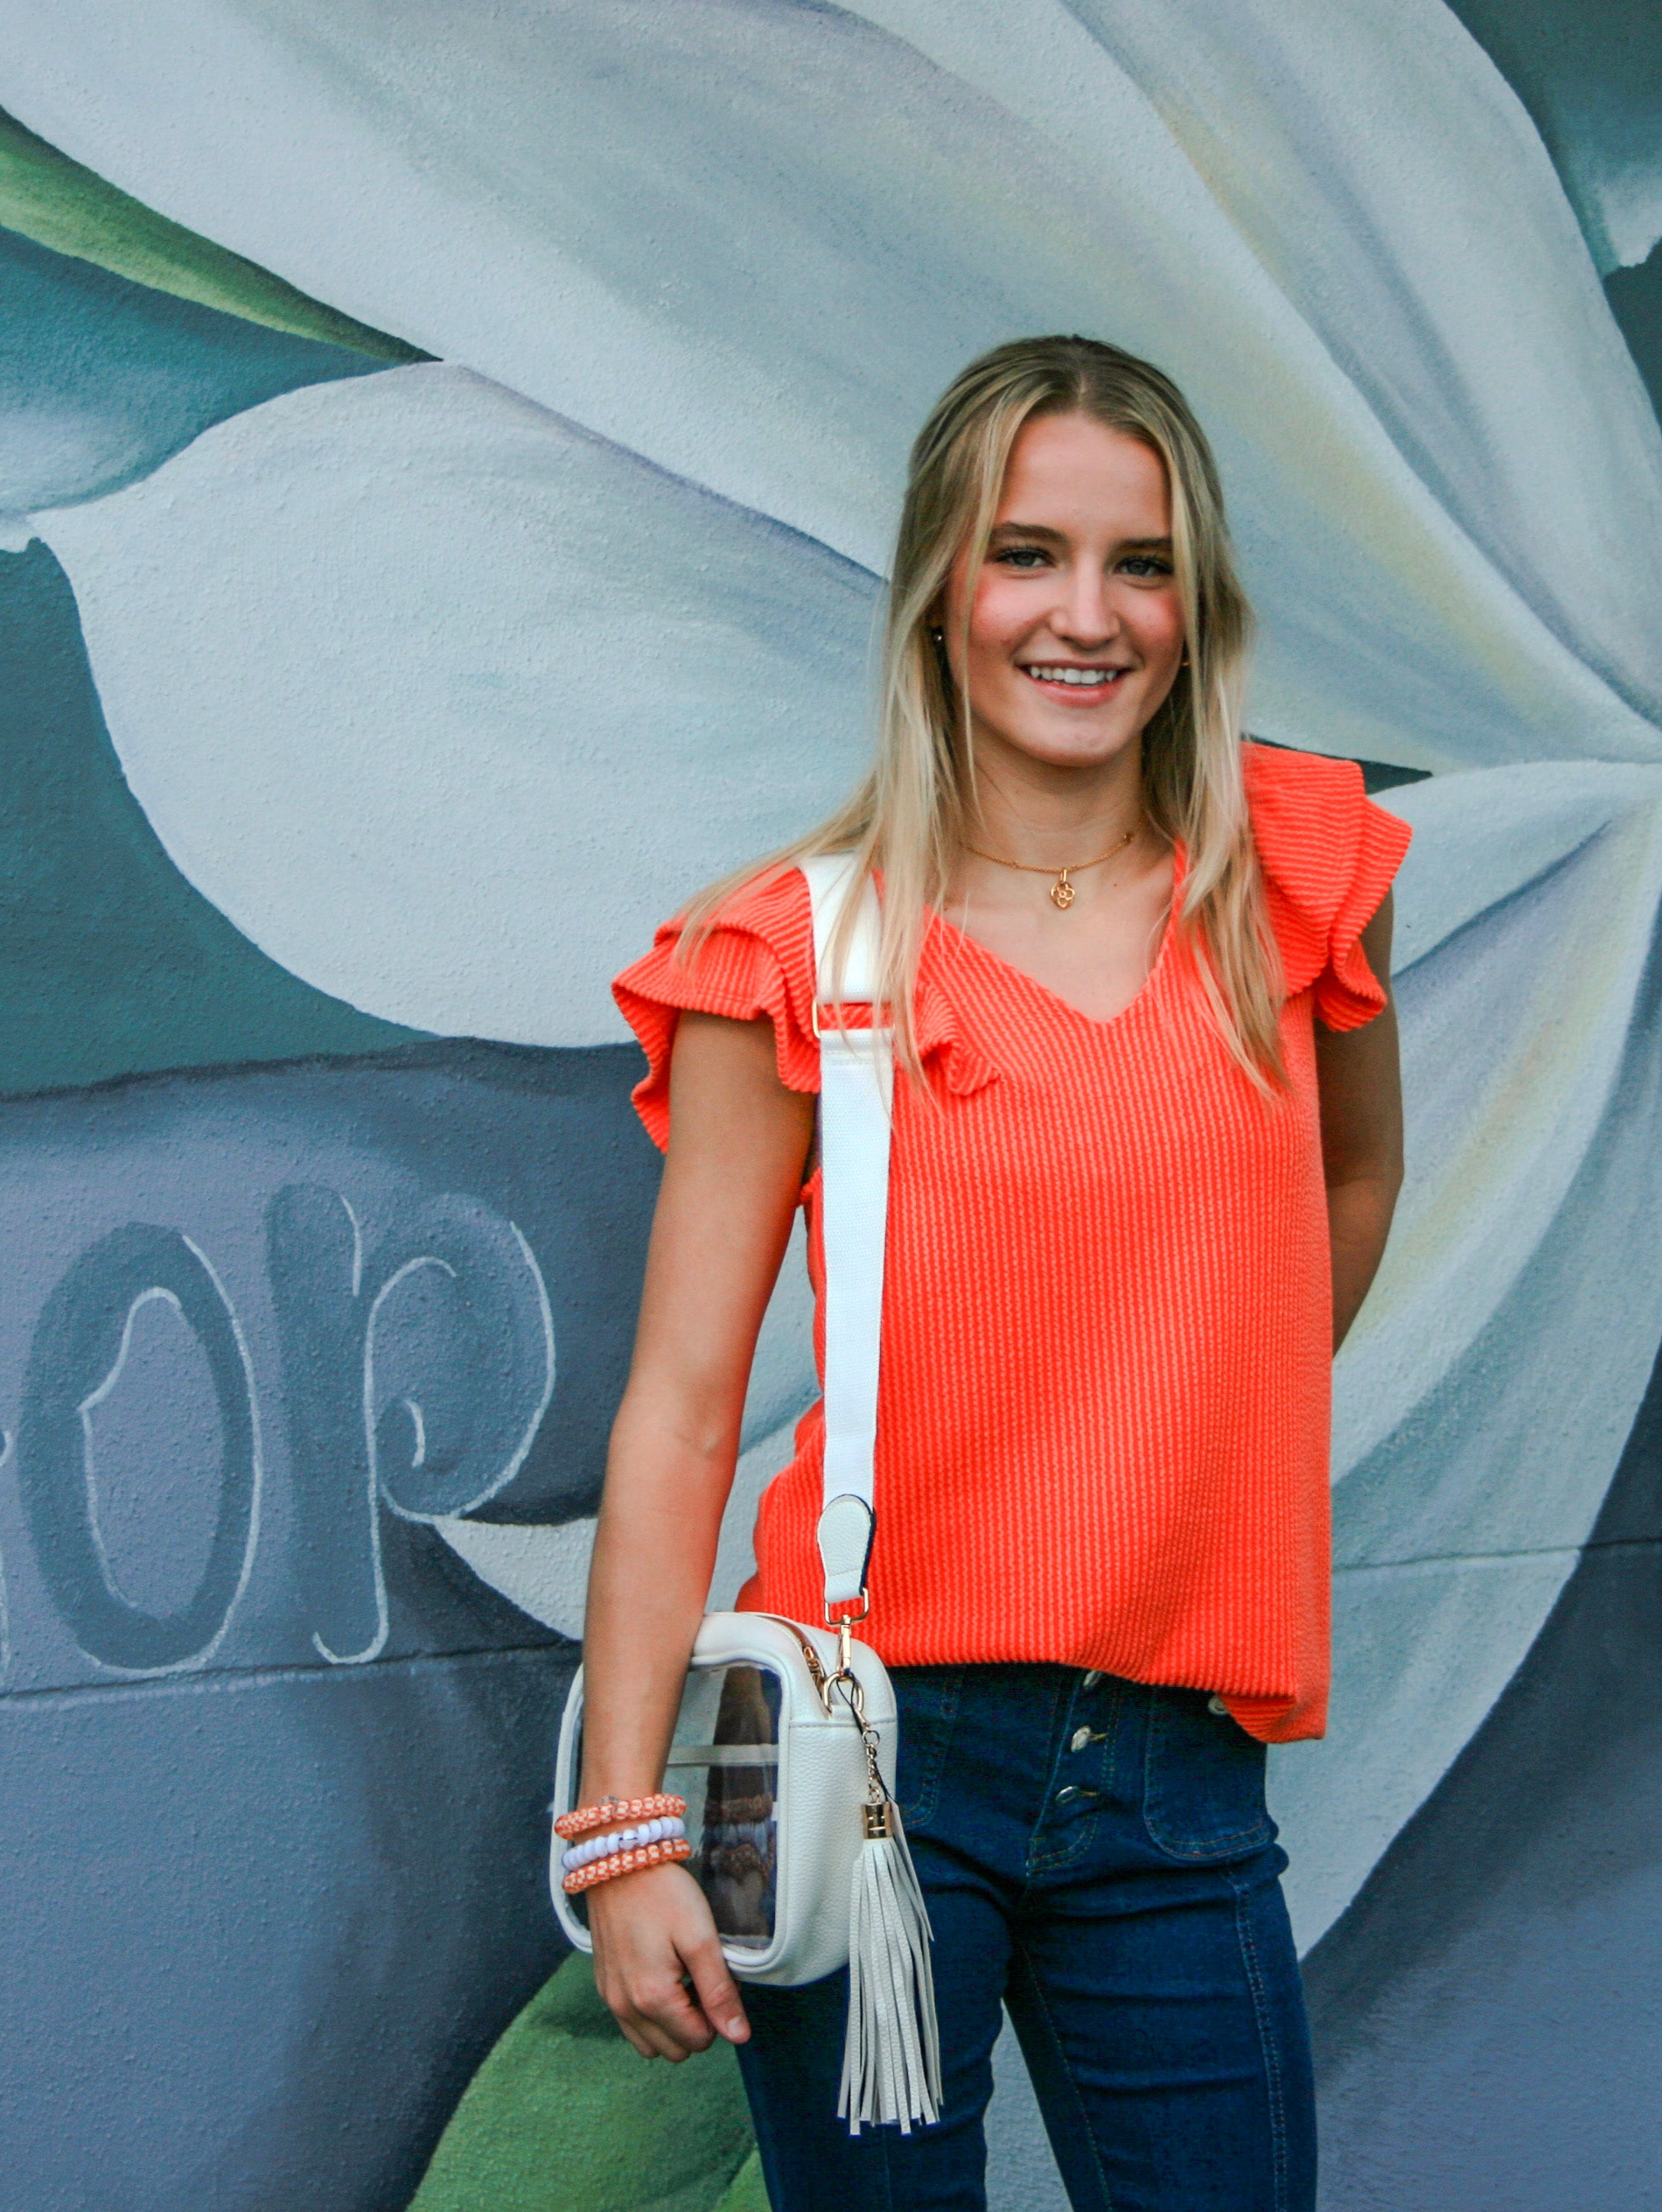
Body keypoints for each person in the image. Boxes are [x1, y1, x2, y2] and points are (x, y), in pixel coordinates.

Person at [577, 334, 1408, 2212]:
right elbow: (685, 1405)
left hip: (1177, 1772)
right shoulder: (788, 951)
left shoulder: (1296, 878)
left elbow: (1354, 1180)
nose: (1084, 615)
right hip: (864, 1756)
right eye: (1027, 553)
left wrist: (1186, 1410)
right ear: (939, 593)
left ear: (1199, 608)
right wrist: (625, 1829)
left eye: (1142, 563)